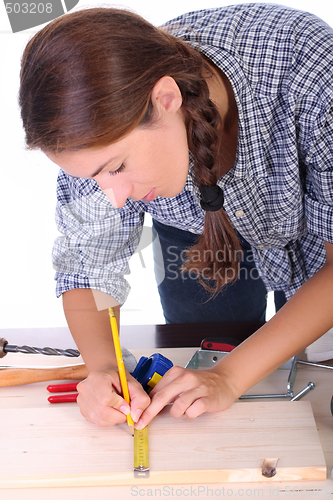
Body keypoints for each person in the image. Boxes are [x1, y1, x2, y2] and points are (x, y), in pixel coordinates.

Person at [19, 4, 333, 429]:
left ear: (166, 100)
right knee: (201, 365)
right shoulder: (92, 123)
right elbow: (86, 266)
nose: (114, 200)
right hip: (197, 229)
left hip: (313, 230)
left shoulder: (311, 71)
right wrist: (104, 370)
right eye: (96, 177)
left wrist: (228, 377)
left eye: (116, 168)